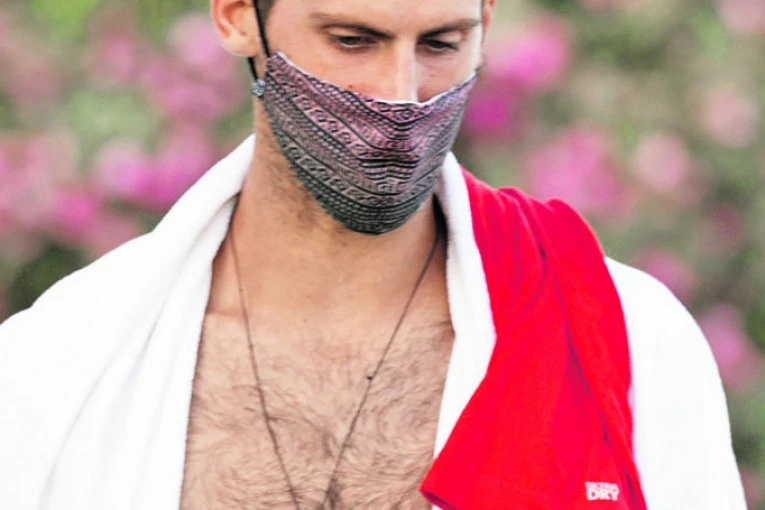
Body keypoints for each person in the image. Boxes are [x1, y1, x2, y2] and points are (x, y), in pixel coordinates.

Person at [0, 0, 747, 508]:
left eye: (440, 44)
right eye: (352, 39)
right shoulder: (55, 367)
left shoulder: (629, 339)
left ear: (485, 24)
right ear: (235, 15)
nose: (401, 96)